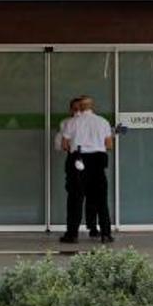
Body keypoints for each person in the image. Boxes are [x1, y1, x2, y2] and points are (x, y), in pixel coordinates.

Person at [59, 96, 113, 244]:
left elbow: (65, 145)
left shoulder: (72, 122)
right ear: (91, 106)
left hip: (79, 160)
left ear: (80, 107)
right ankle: (106, 234)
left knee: (75, 199)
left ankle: (72, 234)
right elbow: (109, 145)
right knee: (101, 199)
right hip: (98, 161)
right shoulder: (103, 122)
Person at [55, 97, 99, 238]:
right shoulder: (67, 123)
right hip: (75, 160)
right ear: (70, 110)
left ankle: (93, 227)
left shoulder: (96, 122)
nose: (78, 112)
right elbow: (59, 144)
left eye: (80, 108)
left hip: (90, 160)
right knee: (75, 197)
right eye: (75, 109)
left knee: (92, 196)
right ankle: (72, 231)